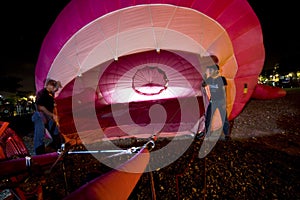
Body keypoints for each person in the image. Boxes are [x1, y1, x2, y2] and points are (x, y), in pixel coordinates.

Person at [199, 64, 230, 140]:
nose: (210, 71)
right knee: (208, 118)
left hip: (220, 101)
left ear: (216, 71)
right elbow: (203, 85)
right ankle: (207, 134)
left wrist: (224, 103)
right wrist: (206, 76)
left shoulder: (222, 79)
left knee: (224, 119)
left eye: (211, 70)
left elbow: (224, 91)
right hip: (213, 101)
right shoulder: (209, 79)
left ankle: (227, 135)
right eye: (210, 70)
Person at [32, 79, 62, 155]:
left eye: (56, 87)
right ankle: (39, 154)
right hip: (40, 116)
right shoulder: (42, 93)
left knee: (56, 133)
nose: (55, 88)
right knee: (39, 135)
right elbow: (40, 107)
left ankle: (58, 149)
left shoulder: (50, 94)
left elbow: (55, 91)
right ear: (48, 85)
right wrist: (53, 115)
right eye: (54, 86)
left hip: (48, 116)